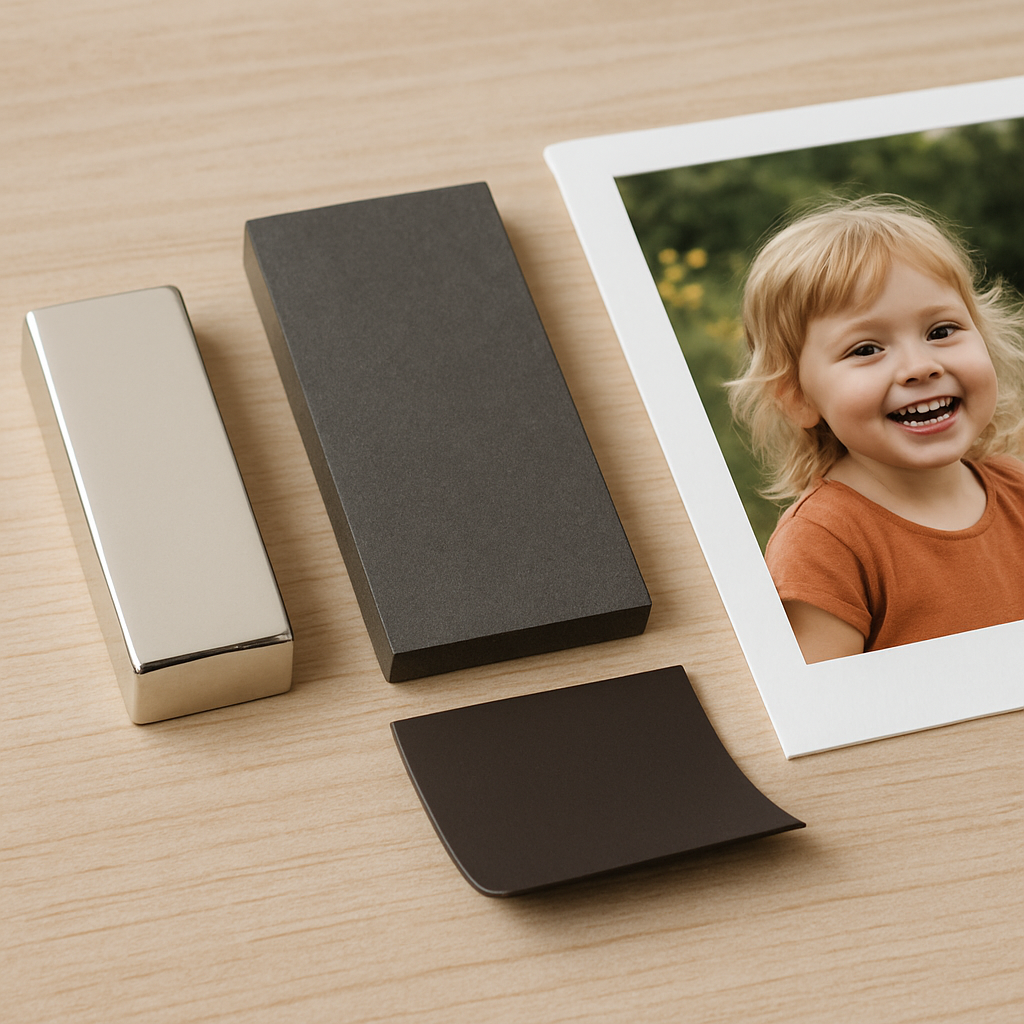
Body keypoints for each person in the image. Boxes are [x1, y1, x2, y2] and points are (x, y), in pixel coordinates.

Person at [729, 196, 1024, 663]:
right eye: (866, 348)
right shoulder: (824, 543)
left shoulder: (1016, 487)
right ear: (797, 397)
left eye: (941, 331)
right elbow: (826, 717)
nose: (920, 367)